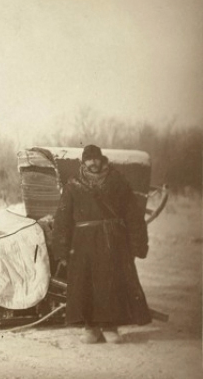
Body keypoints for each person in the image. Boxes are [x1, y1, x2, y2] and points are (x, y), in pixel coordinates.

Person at [52, 145, 152, 344]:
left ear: (102, 159)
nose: (93, 163)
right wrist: (61, 249)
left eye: (96, 159)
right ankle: (91, 328)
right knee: (86, 285)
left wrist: (138, 243)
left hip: (112, 241)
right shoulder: (73, 185)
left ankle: (110, 327)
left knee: (111, 284)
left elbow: (133, 215)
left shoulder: (117, 181)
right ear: (83, 162)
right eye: (89, 160)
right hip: (83, 243)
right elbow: (62, 218)